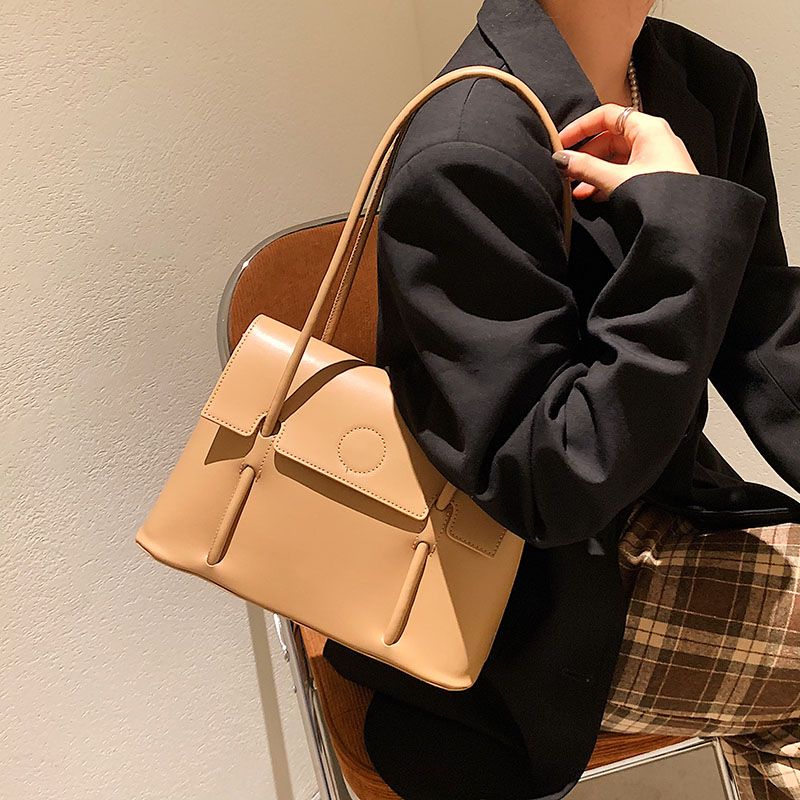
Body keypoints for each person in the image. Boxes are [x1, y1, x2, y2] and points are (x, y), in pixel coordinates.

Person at [323, 1, 800, 798]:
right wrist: (679, 227)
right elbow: (552, 482)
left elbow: (767, 334)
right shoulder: (468, 145)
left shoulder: (704, 84)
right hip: (523, 598)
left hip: (664, 509)